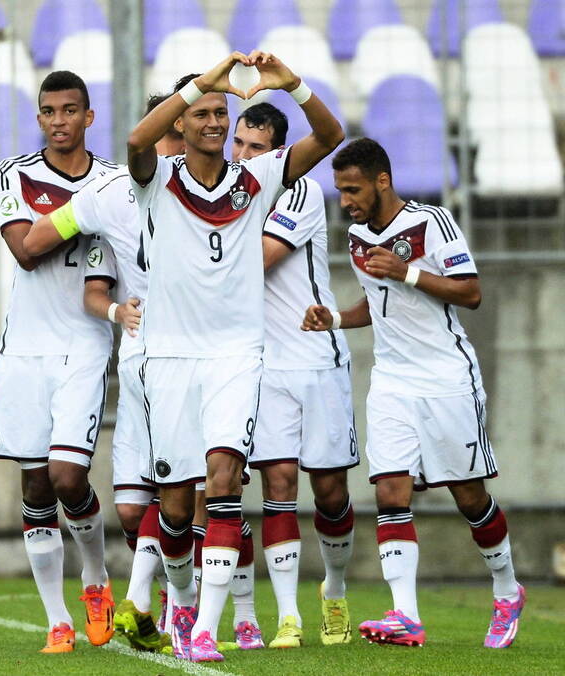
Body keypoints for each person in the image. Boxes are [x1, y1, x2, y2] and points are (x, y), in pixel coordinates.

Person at [126, 51, 344, 662]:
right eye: (203, 113)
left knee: (223, 480)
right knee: (173, 509)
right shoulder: (157, 180)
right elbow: (136, 137)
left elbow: (331, 136)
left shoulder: (258, 176)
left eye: (222, 111)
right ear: (184, 122)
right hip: (168, 358)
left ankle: (203, 631)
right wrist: (203, 81)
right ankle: (181, 596)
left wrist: (293, 85)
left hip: (236, 355)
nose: (216, 122)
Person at [303, 137, 524, 649]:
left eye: (353, 189)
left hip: (446, 376)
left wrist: (407, 270)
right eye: (340, 191)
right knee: (389, 491)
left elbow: (470, 292)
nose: (346, 202)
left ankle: (507, 589)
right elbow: (377, 302)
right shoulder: (358, 235)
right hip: (393, 380)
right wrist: (335, 318)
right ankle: (405, 614)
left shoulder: (432, 223)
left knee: (469, 497)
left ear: (383, 181)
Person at [24, 93, 192, 654]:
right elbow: (46, 253)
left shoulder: (217, 196)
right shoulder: (113, 193)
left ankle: (180, 607)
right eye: (161, 132)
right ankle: (149, 598)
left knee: (198, 489)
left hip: (203, 359)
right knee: (130, 505)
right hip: (140, 362)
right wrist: (118, 309)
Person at [0, 70, 118, 654]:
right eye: (48, 112)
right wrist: (86, 213)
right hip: (26, 349)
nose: (59, 121)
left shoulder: (113, 179)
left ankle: (96, 578)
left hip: (86, 343)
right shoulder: (13, 174)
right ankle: (57, 619)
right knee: (36, 485)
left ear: (89, 118)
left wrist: (66, 217)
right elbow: (24, 250)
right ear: (39, 119)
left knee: (69, 477)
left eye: (70, 110)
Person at [231, 103, 357, 649]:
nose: (242, 156)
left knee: (329, 494)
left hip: (315, 357)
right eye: (238, 143)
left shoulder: (299, 190)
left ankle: (334, 588)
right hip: (266, 365)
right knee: (277, 485)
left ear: (281, 153)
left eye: (255, 148)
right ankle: (288, 617)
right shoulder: (230, 196)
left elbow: (257, 259)